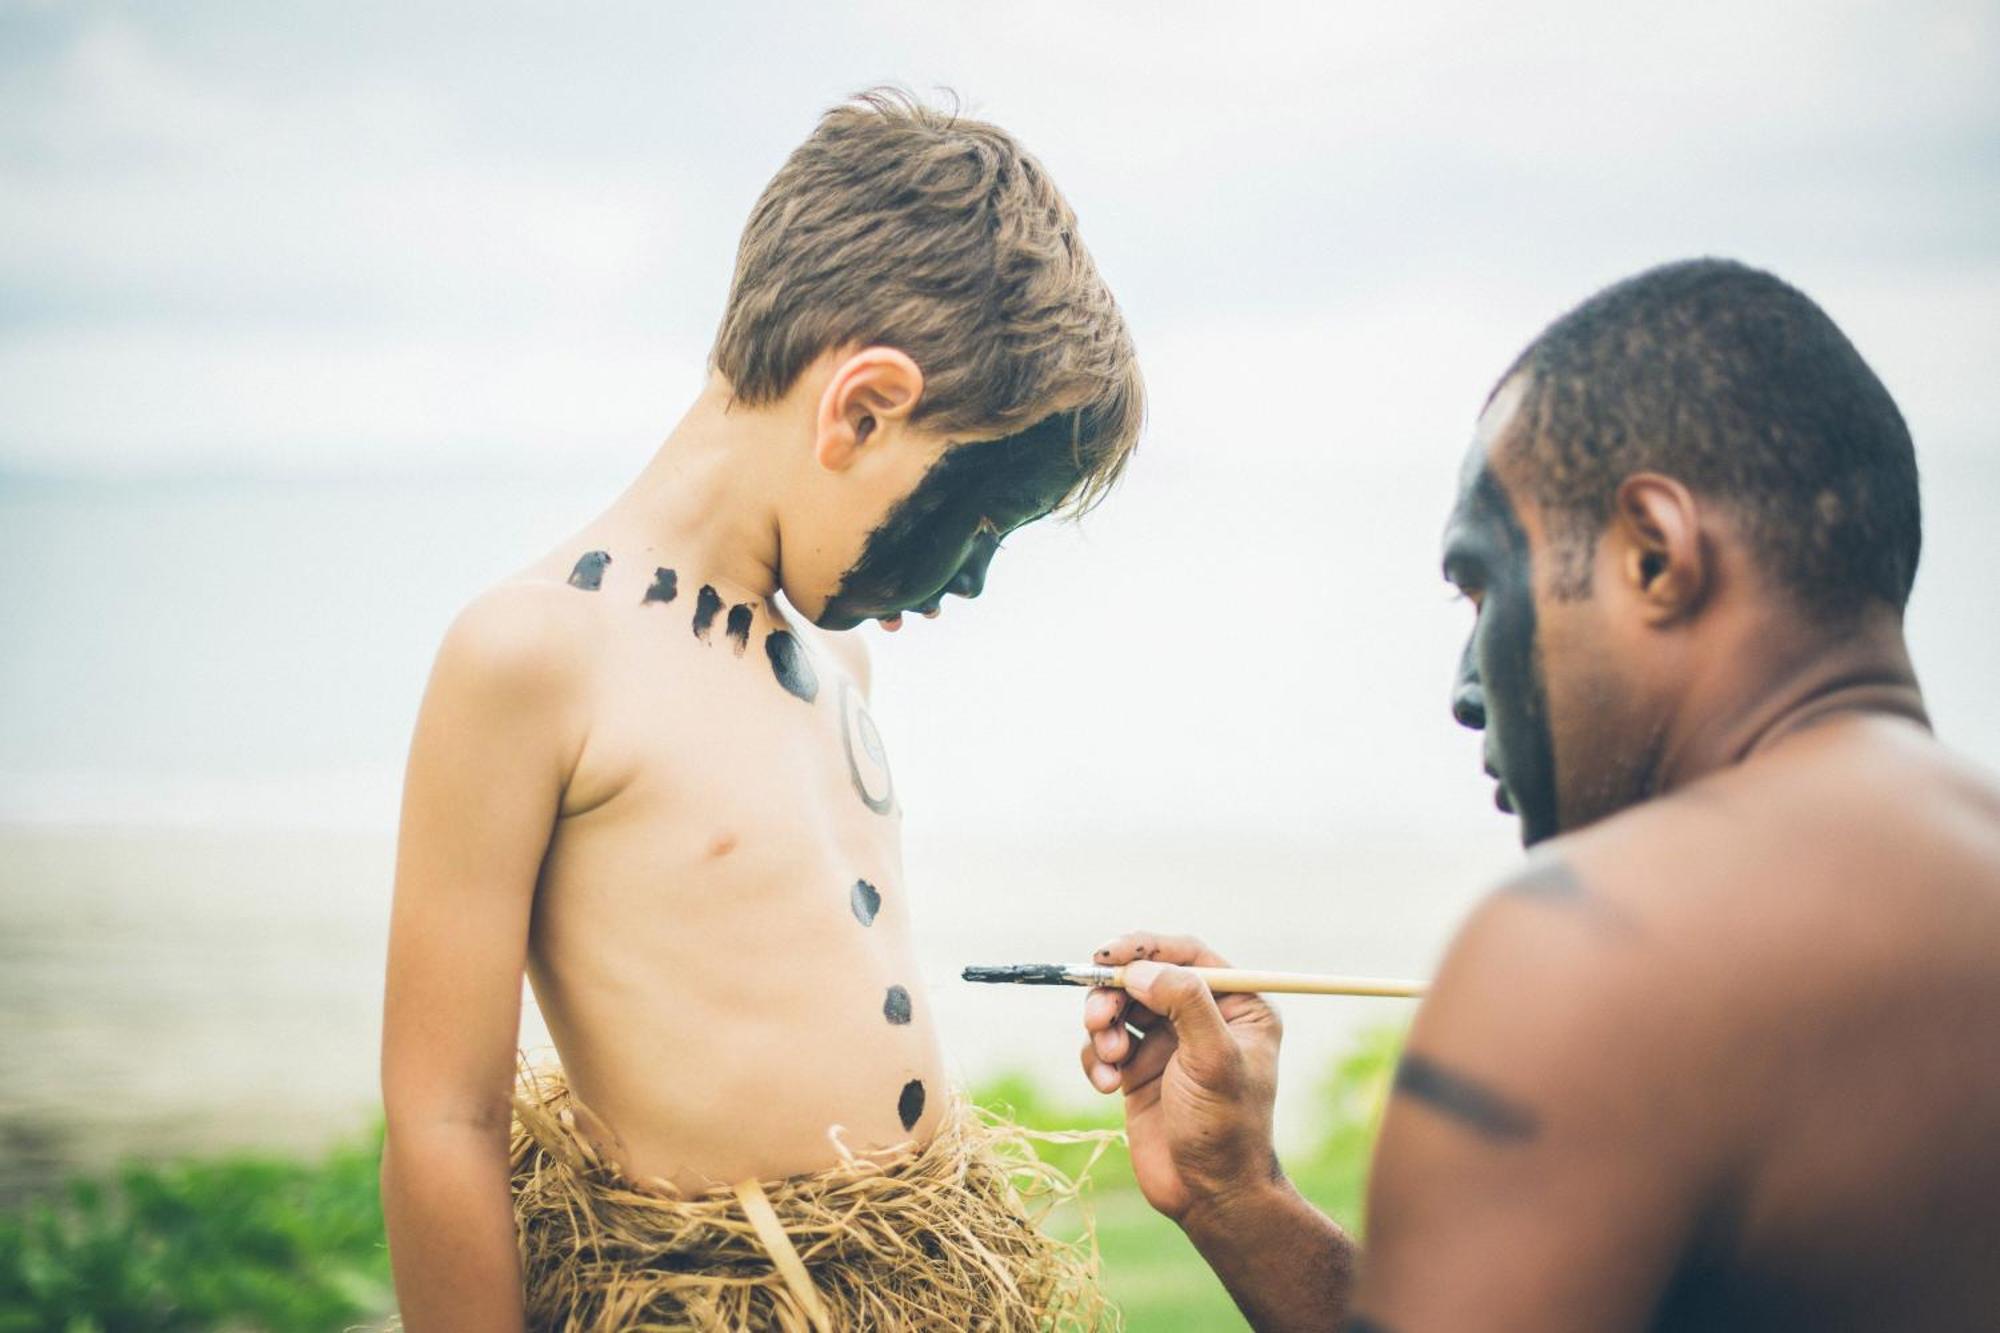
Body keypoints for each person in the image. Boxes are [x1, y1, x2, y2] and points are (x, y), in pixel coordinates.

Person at [1080, 259, 2000, 1330]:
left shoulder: (1595, 953)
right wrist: (1236, 1197)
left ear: (1653, 556)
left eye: (1483, 590)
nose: (1467, 690)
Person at [380, 89, 1142, 1331]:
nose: (974, 578)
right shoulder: (533, 656)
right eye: (982, 519)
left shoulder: (840, 667)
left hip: (904, 1282)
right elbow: (440, 1117)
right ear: (861, 408)